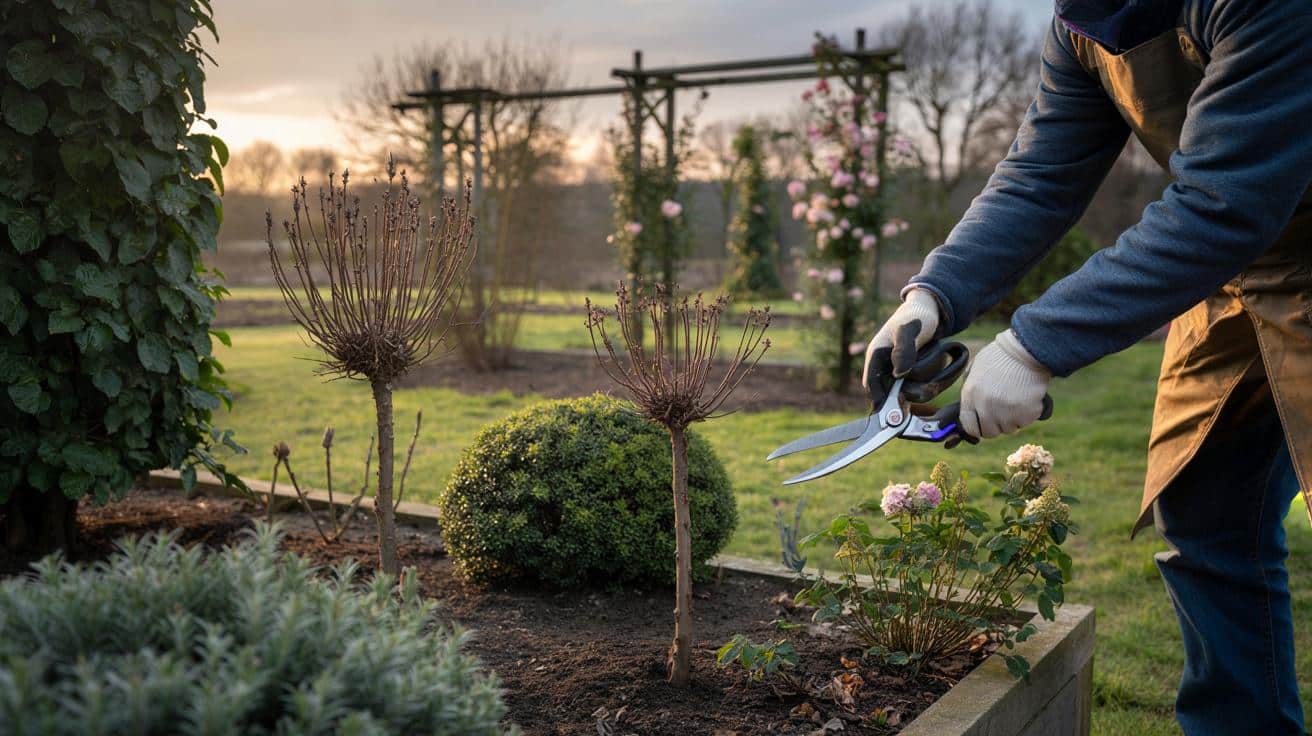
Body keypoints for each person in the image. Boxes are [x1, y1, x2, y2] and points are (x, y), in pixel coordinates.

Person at [863, 1, 1312, 732]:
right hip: (1237, 275)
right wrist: (933, 296)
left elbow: (1224, 204)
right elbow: (1040, 174)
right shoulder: (1084, 23)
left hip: (1244, 229)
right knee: (1208, 516)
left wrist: (1032, 345)